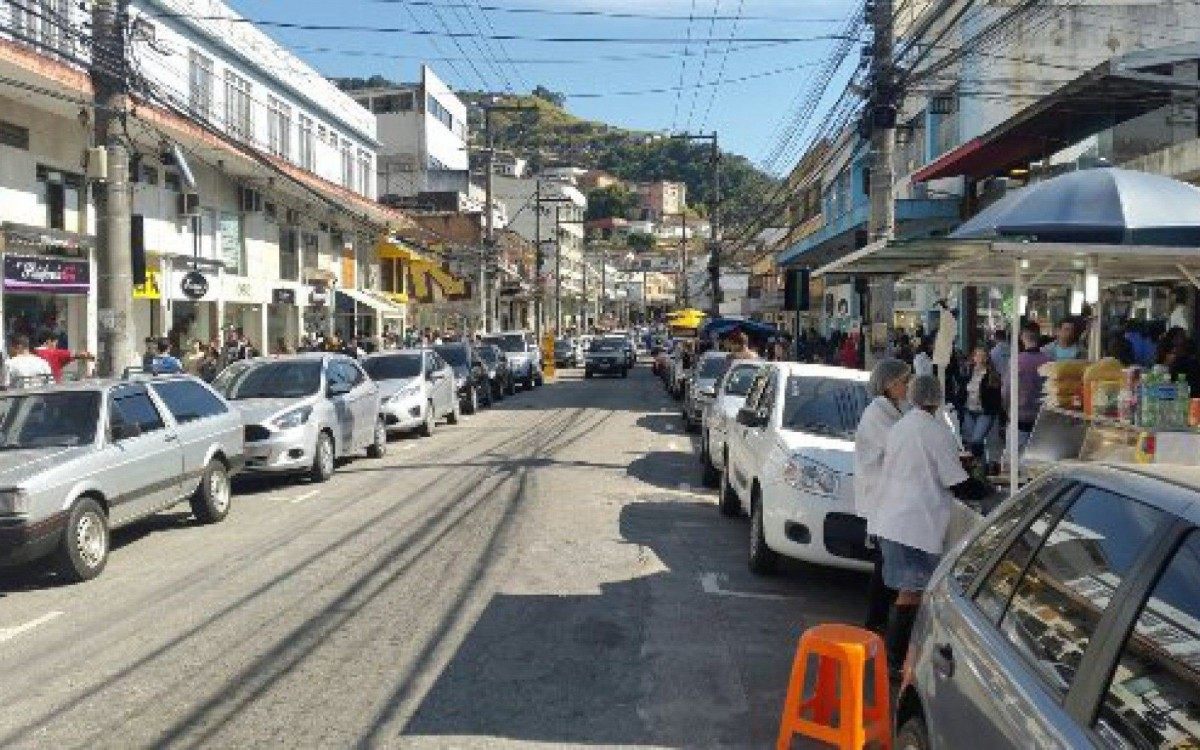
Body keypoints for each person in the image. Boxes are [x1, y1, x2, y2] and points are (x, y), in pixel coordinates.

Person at [875, 374, 989, 674]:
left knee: (907, 590)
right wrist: (988, 492)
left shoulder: (901, 426)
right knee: (913, 592)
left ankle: (897, 658)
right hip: (914, 524)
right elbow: (956, 482)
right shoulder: (936, 432)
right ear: (937, 399)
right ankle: (896, 661)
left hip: (893, 517)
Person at [853, 358, 912, 633]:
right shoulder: (877, 414)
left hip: (892, 498)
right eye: (904, 381)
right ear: (889, 384)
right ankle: (875, 623)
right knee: (886, 563)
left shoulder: (897, 409)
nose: (908, 386)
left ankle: (879, 621)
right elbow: (897, 448)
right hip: (882, 497)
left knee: (888, 562)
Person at [1003, 324, 1052, 448]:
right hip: (1042, 417)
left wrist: (1007, 409)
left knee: (1016, 454)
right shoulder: (1049, 361)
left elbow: (1007, 390)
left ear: (1022, 337)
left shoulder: (1016, 361)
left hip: (1019, 416)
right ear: (1039, 337)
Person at [961, 345, 1003, 461]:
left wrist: (995, 411)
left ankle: (978, 464)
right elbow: (963, 391)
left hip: (984, 412)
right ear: (973, 357)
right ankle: (980, 464)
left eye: (982, 356)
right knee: (972, 441)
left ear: (986, 358)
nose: (979, 358)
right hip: (969, 410)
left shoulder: (992, 375)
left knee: (977, 439)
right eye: (977, 355)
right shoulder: (968, 372)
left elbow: (996, 396)